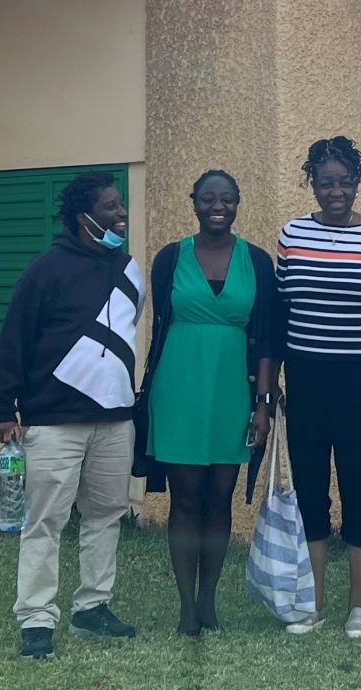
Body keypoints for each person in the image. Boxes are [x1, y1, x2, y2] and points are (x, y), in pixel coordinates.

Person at [0, 171, 145, 661]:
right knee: (45, 522)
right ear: (85, 217)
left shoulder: (130, 269)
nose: (121, 214)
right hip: (53, 421)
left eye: (122, 206)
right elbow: (14, 339)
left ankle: (92, 608)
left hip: (115, 420)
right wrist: (1, 407)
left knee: (106, 516)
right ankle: (36, 619)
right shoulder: (46, 270)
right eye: (112, 207)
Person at [274, 136, 361, 639]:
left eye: (344, 181)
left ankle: (360, 606)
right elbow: (282, 313)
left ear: (357, 181)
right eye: (325, 182)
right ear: (312, 183)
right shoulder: (291, 234)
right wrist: (273, 386)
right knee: (310, 493)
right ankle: (312, 604)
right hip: (307, 385)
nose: (336, 191)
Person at [136, 170, 277, 637]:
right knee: (185, 499)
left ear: (238, 204)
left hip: (231, 393)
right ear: (193, 202)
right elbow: (158, 329)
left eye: (228, 199)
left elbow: (268, 341)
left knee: (220, 499)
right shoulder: (169, 259)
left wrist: (262, 403)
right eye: (209, 198)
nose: (218, 206)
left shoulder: (256, 262)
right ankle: (184, 608)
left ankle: (209, 601)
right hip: (178, 389)